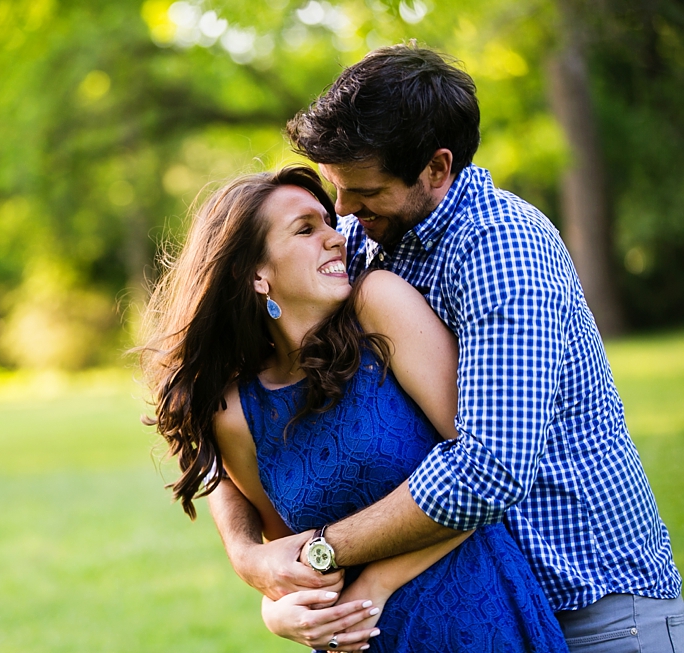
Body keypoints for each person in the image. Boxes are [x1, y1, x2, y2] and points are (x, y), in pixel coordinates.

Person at [206, 44, 683, 652]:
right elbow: (227, 423)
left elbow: (487, 470)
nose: (343, 211)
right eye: (337, 189)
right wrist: (255, 560)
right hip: (475, 603)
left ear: (436, 168)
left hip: (594, 606)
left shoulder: (502, 252)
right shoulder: (357, 242)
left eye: (364, 190)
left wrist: (321, 553)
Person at [138, 164, 568, 651]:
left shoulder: (380, 306)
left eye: (327, 221)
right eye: (306, 229)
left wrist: (375, 584)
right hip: (359, 641)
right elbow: (292, 564)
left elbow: (483, 477)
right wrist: (279, 609)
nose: (336, 237)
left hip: (481, 619)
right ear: (255, 274)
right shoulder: (237, 414)